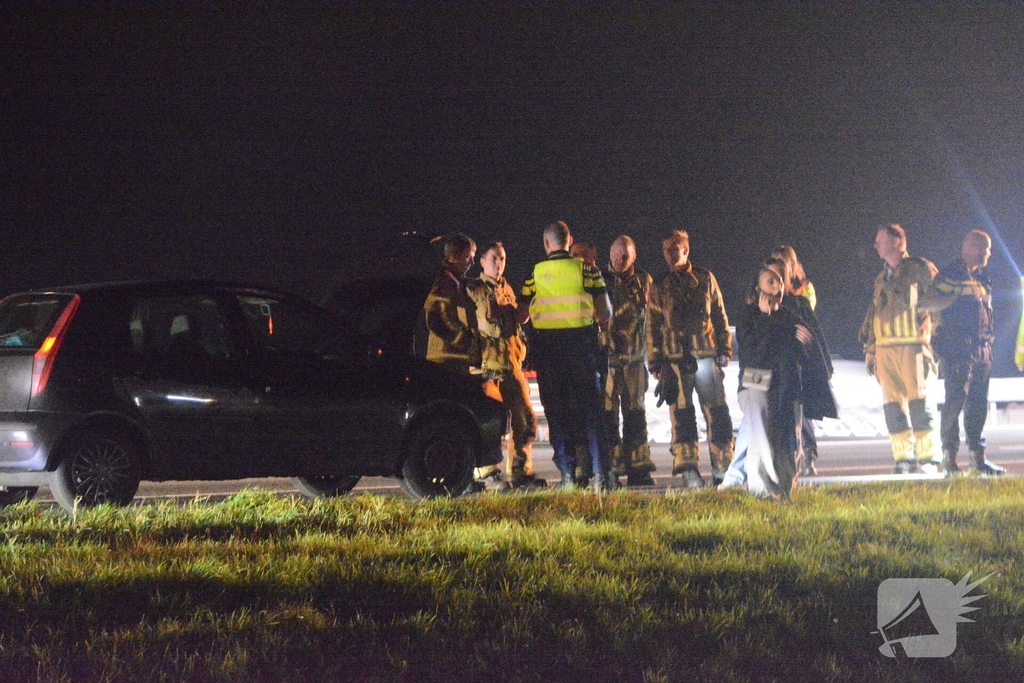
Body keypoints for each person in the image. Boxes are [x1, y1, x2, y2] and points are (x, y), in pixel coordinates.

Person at [521, 221, 614, 492]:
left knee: (558, 414)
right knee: (592, 413)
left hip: (548, 353)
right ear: (569, 240)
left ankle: (568, 475)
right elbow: (605, 313)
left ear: (546, 244)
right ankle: (601, 475)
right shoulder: (587, 271)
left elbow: (522, 314)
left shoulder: (534, 274)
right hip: (581, 349)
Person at [647, 230, 734, 488]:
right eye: (666, 250)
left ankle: (723, 469)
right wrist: (655, 362)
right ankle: (689, 470)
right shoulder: (659, 285)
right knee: (682, 418)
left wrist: (725, 348)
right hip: (674, 362)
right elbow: (651, 324)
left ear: (686, 250)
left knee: (718, 415)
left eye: (675, 249)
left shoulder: (705, 278)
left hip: (706, 357)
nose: (670, 255)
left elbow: (719, 314)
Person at [921, 230, 1005, 475]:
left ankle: (978, 461)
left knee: (978, 405)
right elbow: (930, 303)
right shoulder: (951, 274)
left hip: (981, 350)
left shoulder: (982, 277)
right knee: (954, 403)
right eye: (986, 248)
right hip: (958, 351)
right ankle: (950, 460)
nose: (989, 253)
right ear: (974, 248)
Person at [859, 223, 941, 473]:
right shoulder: (881, 278)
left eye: (880, 240)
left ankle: (928, 458)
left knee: (920, 402)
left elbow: (939, 305)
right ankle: (903, 458)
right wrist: (871, 350)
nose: (875, 246)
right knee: (893, 406)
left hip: (914, 347)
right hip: (886, 350)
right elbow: (875, 314)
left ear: (897, 242)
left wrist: (933, 339)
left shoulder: (921, 269)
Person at [466, 242, 547, 489]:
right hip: (487, 368)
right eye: (493, 258)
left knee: (525, 418)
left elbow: (516, 322)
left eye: (502, 258)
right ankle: (486, 473)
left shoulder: (507, 288)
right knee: (489, 423)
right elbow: (480, 325)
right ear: (482, 261)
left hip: (511, 366)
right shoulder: (474, 289)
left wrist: (512, 311)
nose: (498, 263)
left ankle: (520, 471)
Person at [771, 245, 833, 476]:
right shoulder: (769, 287)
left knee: (804, 410)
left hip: (802, 356)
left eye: (782, 261)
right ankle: (791, 456)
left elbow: (809, 322)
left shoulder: (803, 290)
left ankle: (808, 454)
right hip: (782, 356)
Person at [602, 235, 656, 486]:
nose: (620, 259)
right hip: (610, 361)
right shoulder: (600, 280)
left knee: (636, 414)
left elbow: (653, 319)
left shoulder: (645, 281)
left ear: (634, 257)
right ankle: (611, 468)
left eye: (625, 255)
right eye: (616, 254)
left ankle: (638, 468)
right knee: (609, 416)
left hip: (634, 360)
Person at [423, 232, 480, 374]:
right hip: (445, 361)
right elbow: (437, 321)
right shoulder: (442, 283)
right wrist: (468, 343)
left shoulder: (458, 283)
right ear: (454, 257)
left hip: (457, 359)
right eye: (468, 257)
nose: (472, 263)